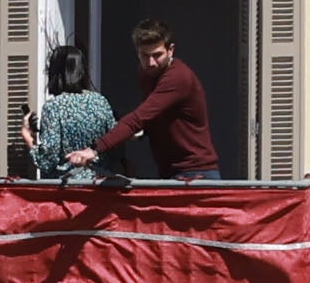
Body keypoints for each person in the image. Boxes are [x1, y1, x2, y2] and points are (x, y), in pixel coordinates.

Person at [77, 22, 215, 179]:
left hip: (195, 173)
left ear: (171, 50)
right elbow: (151, 118)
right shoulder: (146, 73)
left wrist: (94, 150)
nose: (151, 63)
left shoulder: (178, 77)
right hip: (170, 171)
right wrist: (137, 132)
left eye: (157, 55)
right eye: (144, 55)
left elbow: (140, 117)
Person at [13, 44, 114, 186]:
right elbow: (115, 144)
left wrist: (28, 139)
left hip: (67, 188)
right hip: (101, 185)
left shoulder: (54, 107)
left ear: (55, 72)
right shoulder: (101, 102)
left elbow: (47, 160)